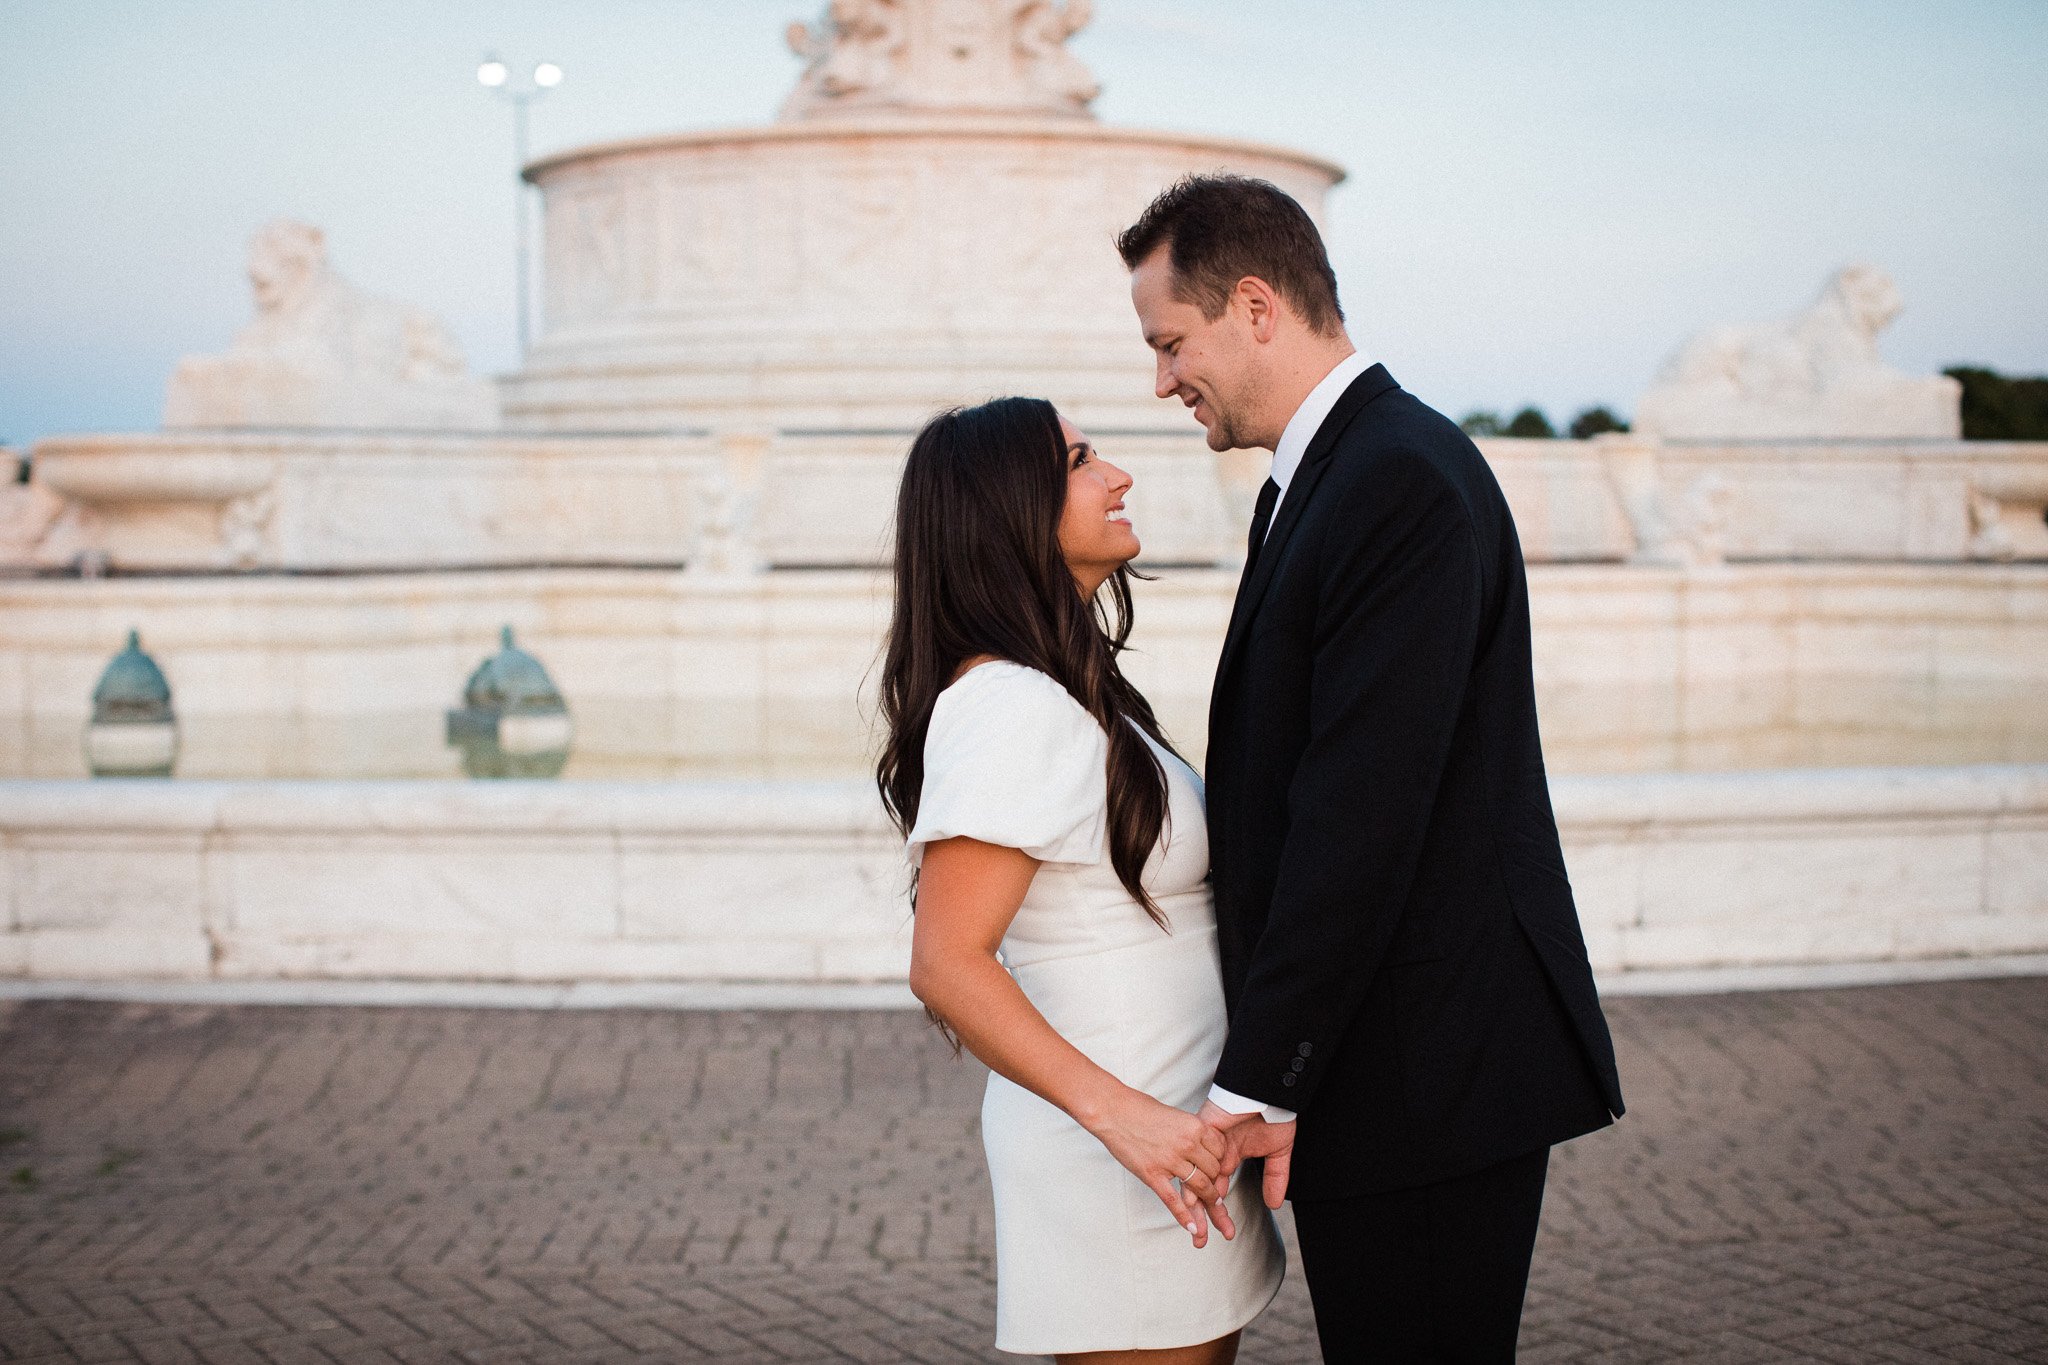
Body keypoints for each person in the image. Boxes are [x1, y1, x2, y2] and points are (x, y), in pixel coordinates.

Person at [1115, 175, 1626, 1362]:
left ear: (1253, 307)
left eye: (1168, 343)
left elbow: (1361, 808)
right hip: (1395, 1059)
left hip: (1426, 1069)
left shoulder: (1391, 475)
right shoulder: (1333, 475)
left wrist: (1261, 1076)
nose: (1160, 381)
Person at [876, 397, 1286, 1362]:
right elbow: (946, 962)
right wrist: (1128, 1121)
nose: (1117, 475)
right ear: (1008, 510)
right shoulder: (1007, 705)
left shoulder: (1066, 688)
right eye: (1080, 460)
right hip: (1126, 1155)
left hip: (1173, 1142)